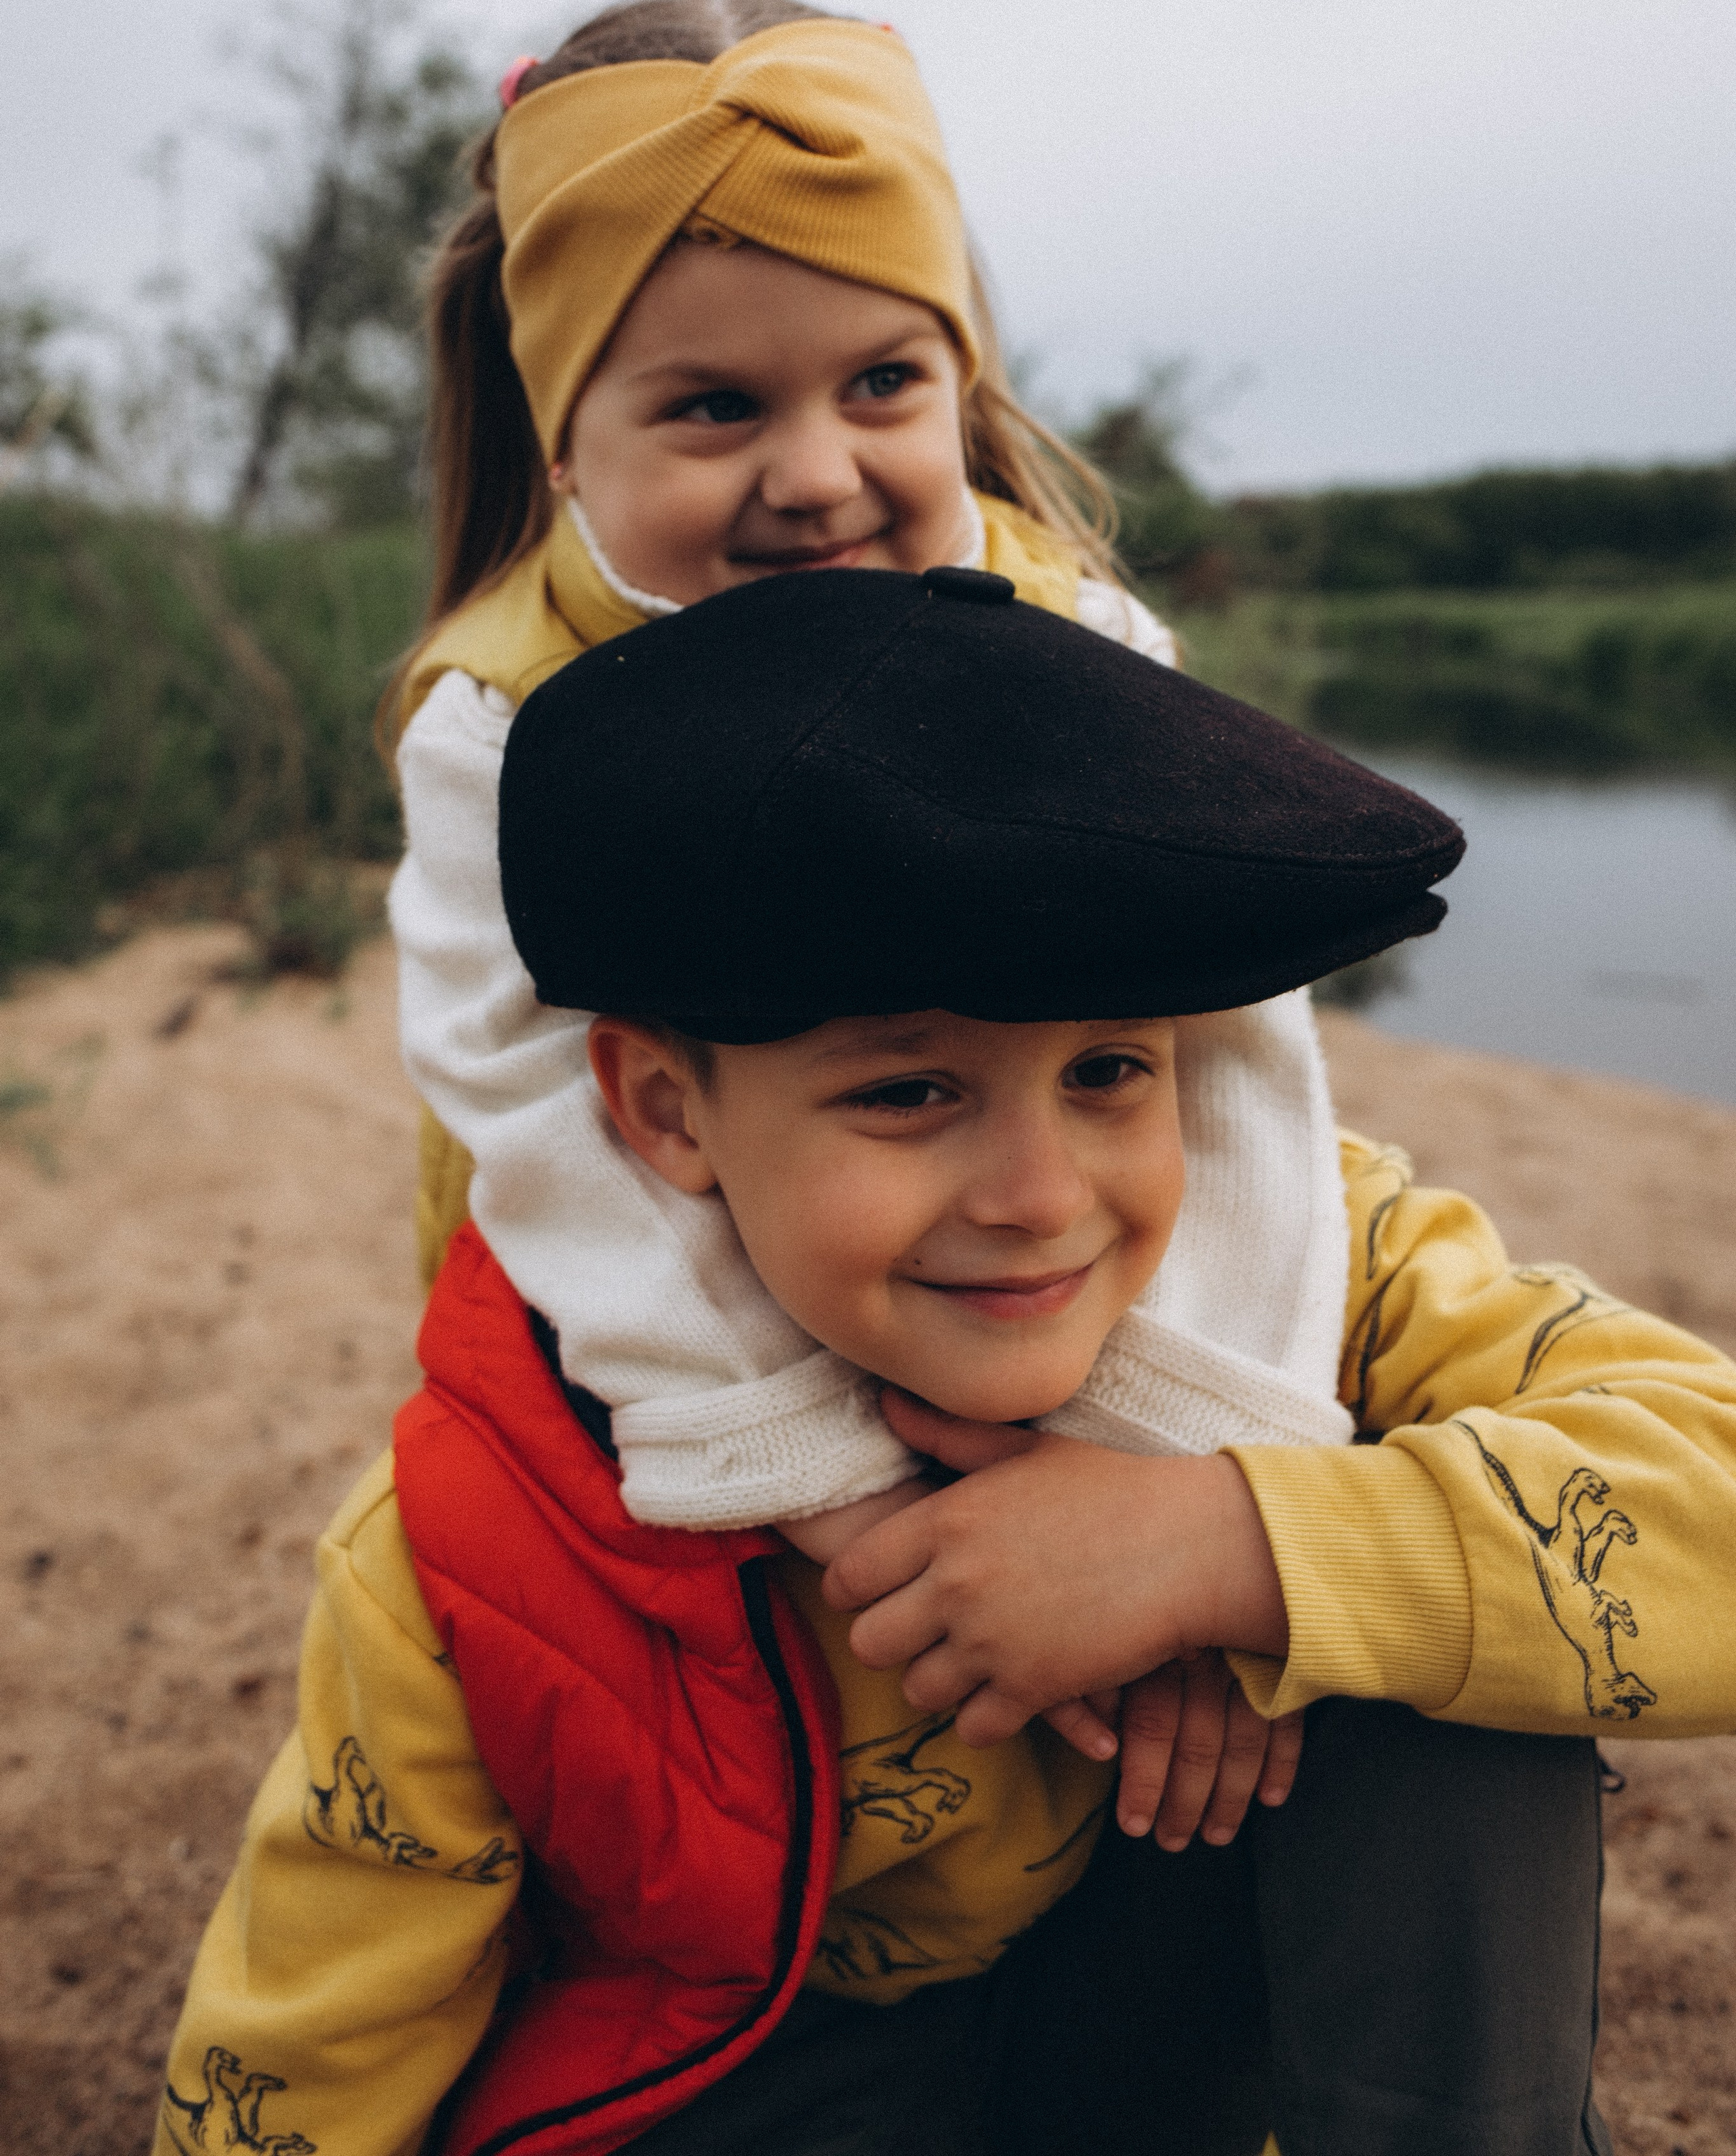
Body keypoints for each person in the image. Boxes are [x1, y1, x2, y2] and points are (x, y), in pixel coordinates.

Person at [156, 571, 1736, 2156]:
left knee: (1449, 1675)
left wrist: (1230, 1549)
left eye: (1111, 1068)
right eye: (910, 1091)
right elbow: (320, 2022)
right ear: (664, 1111)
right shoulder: (496, 1516)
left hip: (1149, 2040)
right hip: (759, 2078)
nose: (1041, 1200)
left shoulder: (1330, 1274)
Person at [384, 0, 1362, 1584]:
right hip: (645, 1351)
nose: (819, 475)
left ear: (958, 384)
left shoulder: (1076, 639)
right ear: (563, 439)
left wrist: (1188, 1471)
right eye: (714, 407)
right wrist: (801, 1470)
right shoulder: (499, 718)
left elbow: (1233, 1053)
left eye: (882, 385)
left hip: (1036, 1329)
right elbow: (536, 1107)